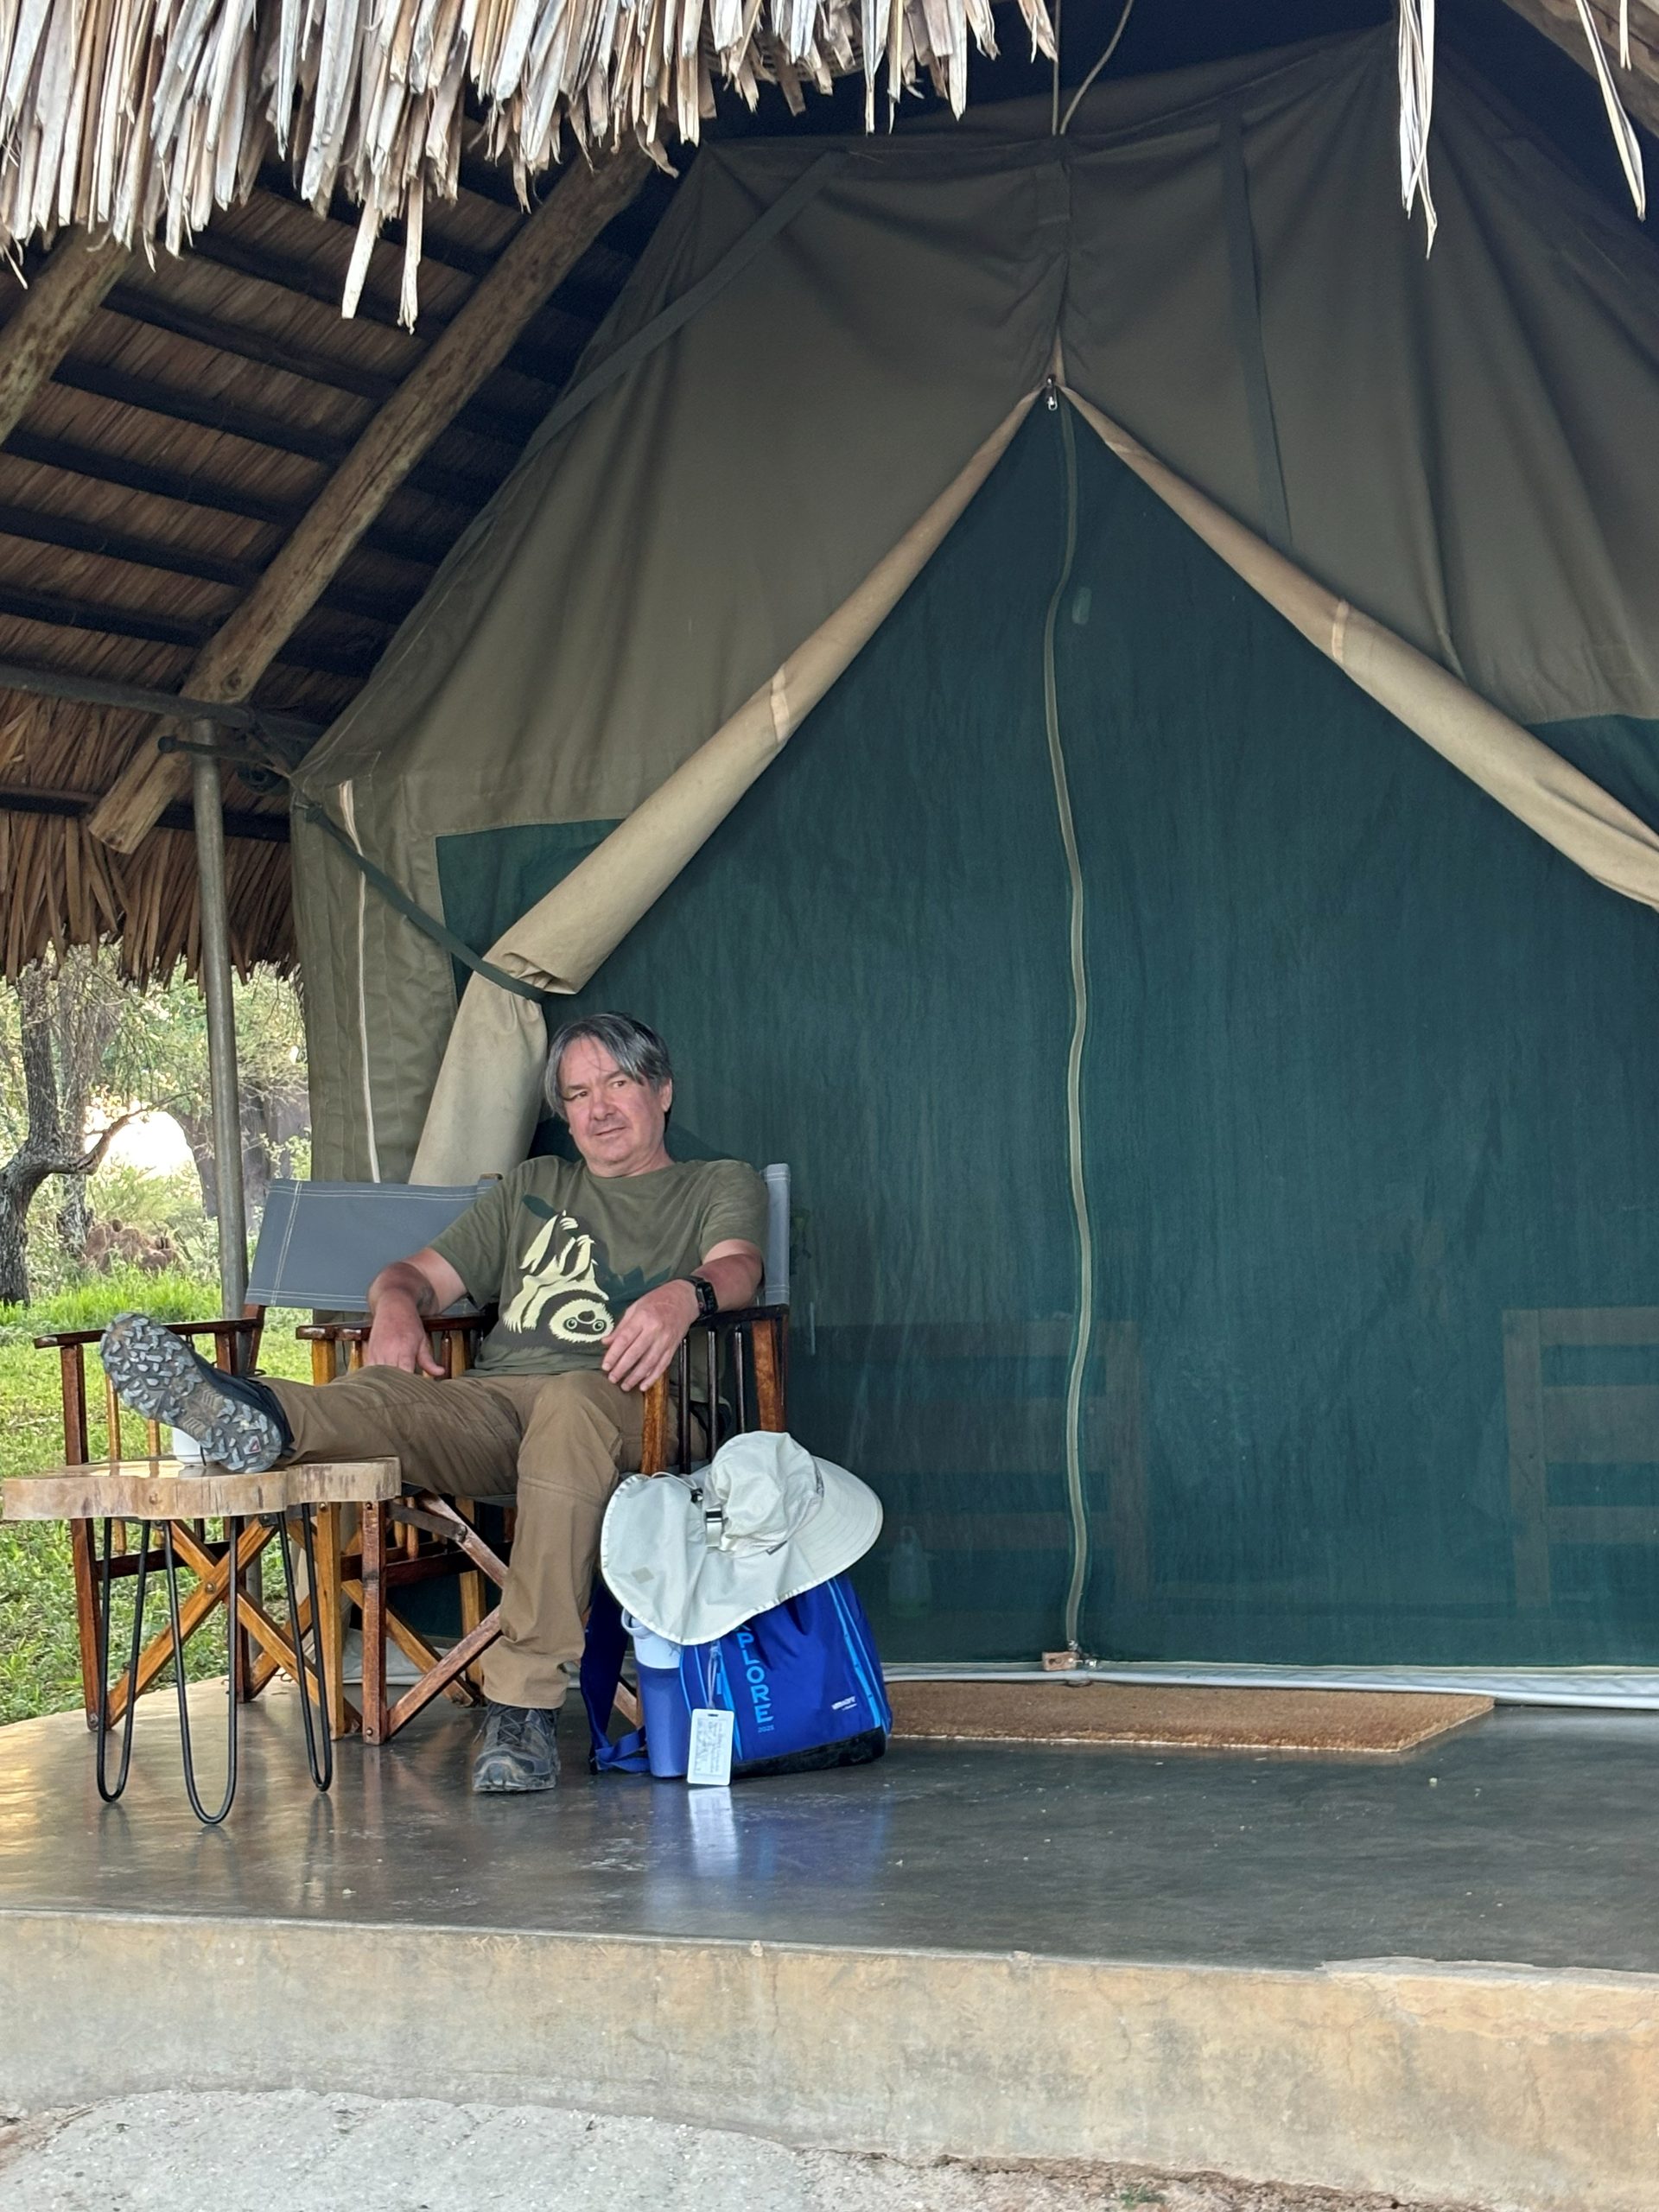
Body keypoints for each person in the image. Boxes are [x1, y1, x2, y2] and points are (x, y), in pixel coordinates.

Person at [99, 1014, 766, 1796]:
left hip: (638, 1409)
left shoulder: (717, 1182)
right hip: (497, 1406)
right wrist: (395, 1305)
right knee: (384, 1393)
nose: (599, 1108)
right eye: (579, 1093)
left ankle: (520, 1707)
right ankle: (254, 1416)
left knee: (574, 1406)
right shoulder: (533, 1188)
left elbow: (740, 1267)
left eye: (618, 1084)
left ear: (661, 1092)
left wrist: (683, 1298)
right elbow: (411, 1274)